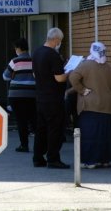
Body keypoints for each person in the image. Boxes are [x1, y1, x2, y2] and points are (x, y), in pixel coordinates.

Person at [69, 42, 111, 169]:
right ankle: (105, 160)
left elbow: (73, 77)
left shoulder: (85, 65)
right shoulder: (109, 68)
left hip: (90, 106)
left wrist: (82, 90)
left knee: (90, 135)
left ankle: (90, 161)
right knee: (106, 135)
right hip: (109, 107)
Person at [32, 27, 70, 169]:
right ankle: (53, 159)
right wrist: (69, 71)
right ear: (55, 40)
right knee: (55, 129)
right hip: (53, 99)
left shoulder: (37, 52)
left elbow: (35, 74)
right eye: (60, 41)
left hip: (40, 97)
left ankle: (37, 157)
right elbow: (59, 78)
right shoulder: (53, 55)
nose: (59, 43)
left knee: (41, 129)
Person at [2, 38, 37, 153]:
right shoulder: (34, 60)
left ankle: (24, 145)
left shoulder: (15, 61)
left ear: (18, 48)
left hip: (16, 95)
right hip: (32, 94)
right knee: (33, 119)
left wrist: (14, 76)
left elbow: (5, 76)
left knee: (21, 120)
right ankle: (39, 145)